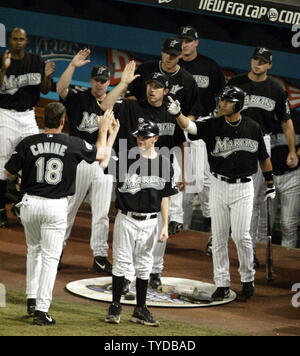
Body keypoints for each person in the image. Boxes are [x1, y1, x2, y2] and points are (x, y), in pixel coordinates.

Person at [4, 102, 119, 325]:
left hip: (29, 204)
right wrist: (105, 130)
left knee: (34, 252)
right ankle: (41, 310)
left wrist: (20, 179)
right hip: (54, 207)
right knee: (49, 258)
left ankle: (31, 299)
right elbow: (103, 156)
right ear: (63, 121)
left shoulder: (28, 142)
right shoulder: (71, 143)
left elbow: (8, 172)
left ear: (42, 120)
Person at [168, 85, 275, 300]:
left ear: (238, 105)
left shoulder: (253, 127)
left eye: (227, 101)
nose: (222, 103)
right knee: (218, 237)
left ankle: (247, 279)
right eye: (222, 99)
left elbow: (263, 158)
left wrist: (270, 183)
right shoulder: (213, 125)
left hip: (244, 187)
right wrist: (178, 114)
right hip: (218, 185)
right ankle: (222, 283)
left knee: (241, 236)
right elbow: (191, 128)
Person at [101, 62, 186, 290]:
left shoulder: (172, 113)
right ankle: (127, 275)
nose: (152, 89)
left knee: (157, 221)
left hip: (162, 168)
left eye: (158, 87)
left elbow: (181, 142)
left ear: (166, 91)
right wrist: (124, 84)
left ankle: (155, 270)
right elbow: (105, 105)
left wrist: (184, 170)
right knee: (131, 220)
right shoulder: (132, 107)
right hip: (132, 168)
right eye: (150, 85)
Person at [227, 47, 298, 266]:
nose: (257, 63)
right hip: (233, 139)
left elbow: (286, 122)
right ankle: (226, 242)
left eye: (262, 61)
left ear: (269, 65)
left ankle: (251, 251)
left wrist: (293, 150)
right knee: (229, 197)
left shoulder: (276, 89)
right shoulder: (235, 83)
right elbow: (221, 111)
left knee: (255, 200)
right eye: (255, 59)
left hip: (260, 142)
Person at [125, 36, 203, 235]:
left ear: (180, 56)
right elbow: (130, 96)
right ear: (162, 52)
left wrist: (180, 120)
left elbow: (193, 112)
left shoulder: (187, 79)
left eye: (175, 55)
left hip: (171, 130)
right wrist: (139, 114)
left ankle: (172, 220)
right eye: (167, 53)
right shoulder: (146, 71)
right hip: (143, 137)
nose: (170, 57)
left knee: (170, 180)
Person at [104, 120, 178, 326]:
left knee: (145, 266)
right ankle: (115, 305)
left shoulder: (164, 164)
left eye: (145, 136)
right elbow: (103, 160)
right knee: (120, 262)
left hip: (150, 222)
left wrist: (165, 225)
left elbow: (165, 196)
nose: (140, 139)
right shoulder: (126, 160)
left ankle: (140, 309)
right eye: (138, 135)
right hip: (126, 218)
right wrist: (112, 134)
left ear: (155, 139)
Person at [56, 49, 114, 274]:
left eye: (104, 80)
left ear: (109, 82)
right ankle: (58, 250)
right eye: (97, 80)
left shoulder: (114, 103)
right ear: (91, 81)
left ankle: (99, 256)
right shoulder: (80, 98)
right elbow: (61, 89)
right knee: (69, 208)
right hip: (79, 160)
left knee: (101, 213)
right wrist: (71, 66)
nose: (100, 84)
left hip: (103, 162)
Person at [0, 27, 55, 227]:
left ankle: (21, 203)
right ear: (10, 40)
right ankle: (0, 209)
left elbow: (46, 89)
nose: (18, 42)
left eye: (21, 39)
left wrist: (47, 76)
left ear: (26, 41)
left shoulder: (36, 61)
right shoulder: (2, 59)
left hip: (28, 115)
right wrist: (4, 69)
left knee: (35, 156)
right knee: (2, 162)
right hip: (5, 113)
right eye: (14, 39)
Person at [178, 25, 226, 235]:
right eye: (182, 40)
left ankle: (211, 224)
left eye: (189, 40)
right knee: (183, 179)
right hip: (178, 124)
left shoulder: (209, 66)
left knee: (206, 179)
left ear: (196, 42)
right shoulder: (174, 65)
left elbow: (223, 97)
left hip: (203, 125)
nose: (185, 44)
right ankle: (181, 226)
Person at [268, 109, 300, 248]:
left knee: (288, 224)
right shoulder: (266, 119)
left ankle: (286, 262)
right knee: (264, 224)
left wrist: (297, 154)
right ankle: (262, 262)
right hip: (268, 177)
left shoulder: (297, 118)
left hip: (292, 176)